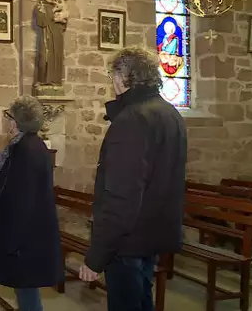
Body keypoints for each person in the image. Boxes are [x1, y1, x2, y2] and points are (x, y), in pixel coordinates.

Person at [79, 47, 187, 311]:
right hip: (152, 235)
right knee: (141, 301)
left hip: (128, 241)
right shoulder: (171, 115)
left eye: (112, 75)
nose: (112, 82)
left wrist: (96, 257)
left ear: (122, 77)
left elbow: (121, 198)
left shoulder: (131, 120)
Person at [0, 95, 63, 311]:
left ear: (17, 121)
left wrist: (11, 242)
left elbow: (24, 200)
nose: (7, 121)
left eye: (9, 116)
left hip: (24, 239)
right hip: (25, 237)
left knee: (27, 291)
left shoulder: (26, 151)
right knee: (25, 289)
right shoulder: (27, 146)